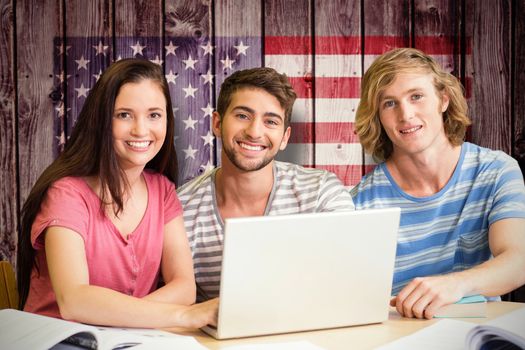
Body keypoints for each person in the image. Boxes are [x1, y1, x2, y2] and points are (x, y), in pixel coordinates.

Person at [17, 59, 218, 328]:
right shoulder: (65, 194)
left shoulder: (163, 190)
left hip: (128, 341)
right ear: (101, 121)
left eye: (154, 115)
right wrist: (183, 315)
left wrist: (120, 319)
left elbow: (184, 288)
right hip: (57, 341)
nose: (141, 130)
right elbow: (74, 301)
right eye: (124, 114)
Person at [351, 48, 525, 319]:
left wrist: (454, 284)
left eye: (416, 97)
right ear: (378, 117)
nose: (406, 114)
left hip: (478, 335)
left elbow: (518, 261)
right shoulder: (361, 203)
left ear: (443, 99)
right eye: (389, 103)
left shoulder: (496, 170)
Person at [177, 67, 354, 301]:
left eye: (270, 121)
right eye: (242, 116)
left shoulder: (322, 193)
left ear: (285, 138)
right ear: (217, 124)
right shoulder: (180, 210)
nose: (254, 132)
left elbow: (350, 278)